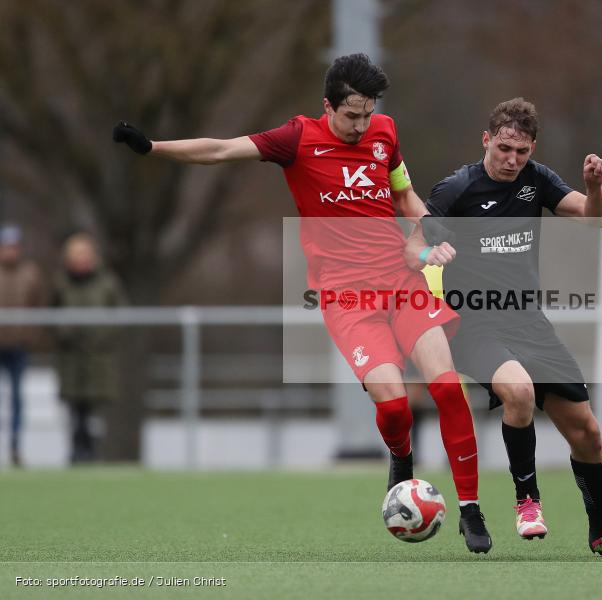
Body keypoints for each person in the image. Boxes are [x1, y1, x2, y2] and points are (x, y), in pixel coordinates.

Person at [113, 54, 492, 553]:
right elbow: (221, 149)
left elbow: (404, 195)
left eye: (367, 114)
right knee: (395, 407)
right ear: (327, 106)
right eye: (350, 116)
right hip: (348, 297)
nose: (361, 126)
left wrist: (431, 224)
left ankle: (470, 508)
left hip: (402, 283)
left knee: (446, 388)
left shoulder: (385, 132)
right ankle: (401, 458)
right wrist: (154, 147)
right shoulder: (297, 138)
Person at [406, 98, 602, 557]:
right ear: (486, 140)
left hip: (530, 323)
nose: (511, 160)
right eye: (503, 149)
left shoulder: (537, 179)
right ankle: (527, 501)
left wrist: (595, 187)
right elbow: (411, 247)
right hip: (473, 326)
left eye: (521, 151)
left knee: (588, 433)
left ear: (532, 148)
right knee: (517, 391)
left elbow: (595, 220)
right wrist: (427, 256)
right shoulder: (456, 189)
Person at [52, 233, 128, 463]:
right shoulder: (61, 283)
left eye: (84, 255)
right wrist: (64, 333)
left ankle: (94, 453)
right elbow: (49, 313)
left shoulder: (107, 282)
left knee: (95, 410)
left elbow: (122, 313)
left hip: (98, 356)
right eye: (76, 255)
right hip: (71, 356)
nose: (80, 260)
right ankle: (76, 453)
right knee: (75, 410)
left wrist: (103, 337)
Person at [0, 224, 45, 467]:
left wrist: (31, 335)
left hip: (18, 346)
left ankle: (16, 447)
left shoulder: (30, 273)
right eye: (6, 246)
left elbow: (39, 306)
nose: (10, 251)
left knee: (18, 399)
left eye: (13, 247)